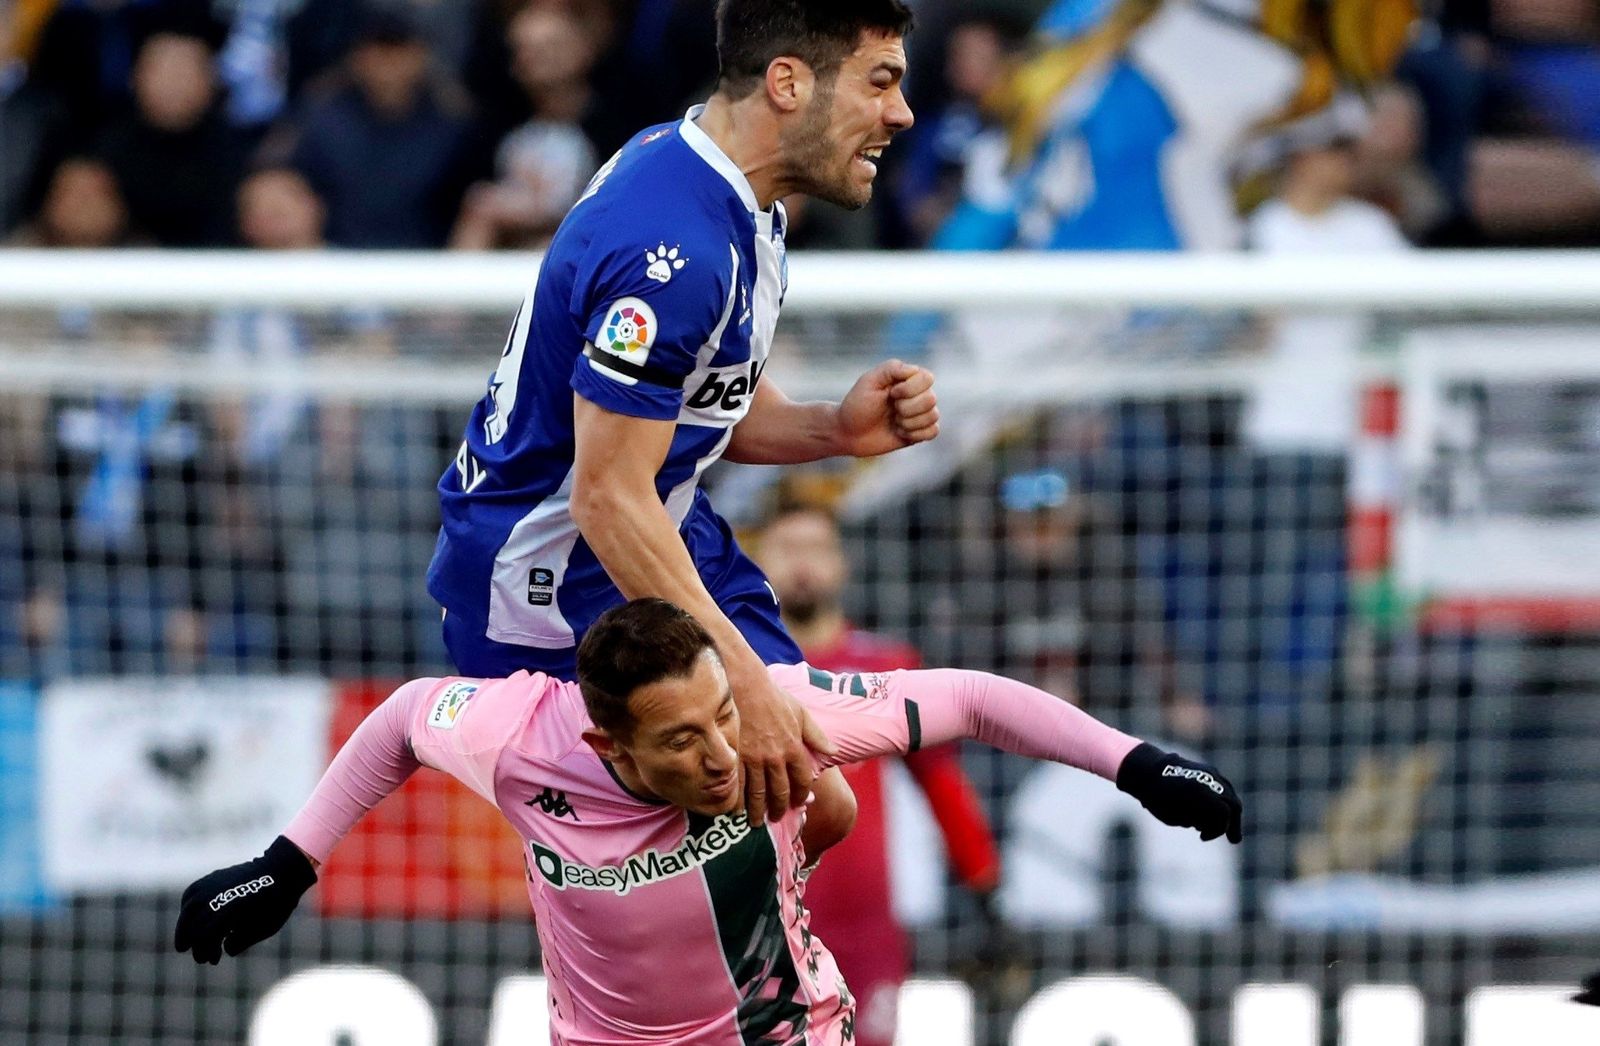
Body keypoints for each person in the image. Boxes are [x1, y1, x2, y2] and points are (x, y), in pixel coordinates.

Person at [174, 597, 1244, 1045]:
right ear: (610, 749)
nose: (723, 752)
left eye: (722, 714)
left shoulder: (777, 718)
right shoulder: (517, 734)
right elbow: (402, 717)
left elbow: (965, 697)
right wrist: (287, 861)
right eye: (682, 740)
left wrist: (1138, 763)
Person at [428, 0, 936, 828]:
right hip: (553, 587)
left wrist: (833, 431)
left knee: (820, 805)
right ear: (787, 83)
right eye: (880, 82)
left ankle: (752, 955)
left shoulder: (724, 184)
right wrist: (737, 681)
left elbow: (695, 408)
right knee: (763, 820)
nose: (901, 113)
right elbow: (604, 496)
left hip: (659, 525)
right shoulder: (675, 253)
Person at [754, 501, 1001, 1046]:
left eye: (817, 550)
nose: (803, 565)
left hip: (864, 924)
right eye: (788, 549)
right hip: (757, 923)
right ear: (759, 561)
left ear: (842, 564)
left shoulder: (886, 667)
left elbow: (940, 781)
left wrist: (984, 885)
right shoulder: (741, 672)